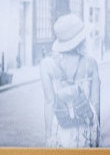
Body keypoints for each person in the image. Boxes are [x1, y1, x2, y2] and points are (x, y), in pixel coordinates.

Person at [41, 13, 100, 147]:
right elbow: (95, 102)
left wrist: (48, 135)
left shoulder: (47, 65)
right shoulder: (90, 64)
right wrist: (96, 130)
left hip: (60, 128)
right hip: (86, 126)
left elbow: (49, 102)